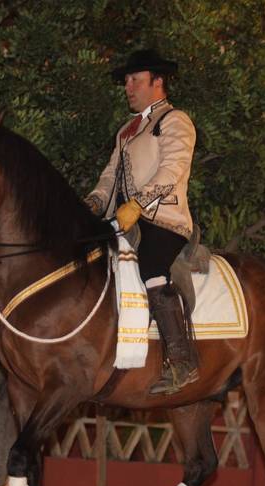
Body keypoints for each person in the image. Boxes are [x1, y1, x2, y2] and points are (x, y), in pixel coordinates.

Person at [85, 49, 199, 395]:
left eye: (135, 80)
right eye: (126, 82)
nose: (128, 87)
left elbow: (173, 169)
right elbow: (109, 176)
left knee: (150, 264)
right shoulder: (127, 130)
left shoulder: (175, 120)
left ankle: (182, 360)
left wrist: (138, 204)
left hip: (162, 219)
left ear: (158, 81)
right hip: (122, 220)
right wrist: (93, 202)